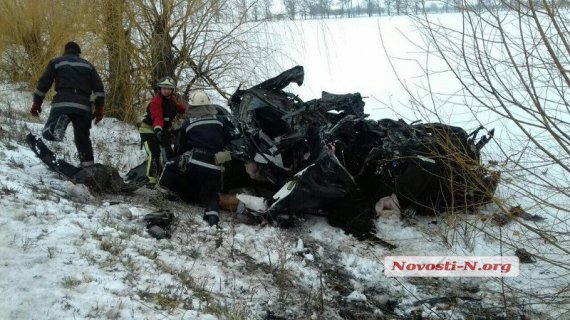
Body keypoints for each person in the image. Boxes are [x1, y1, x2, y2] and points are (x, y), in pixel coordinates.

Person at [157, 90, 234, 227]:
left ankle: (160, 194)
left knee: (170, 165)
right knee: (211, 194)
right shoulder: (221, 120)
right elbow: (229, 140)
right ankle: (213, 220)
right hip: (216, 164)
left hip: (195, 160)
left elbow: (183, 147)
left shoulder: (188, 123)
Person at [30, 41, 105, 167]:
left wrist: (37, 103)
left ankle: (58, 125)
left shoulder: (57, 62)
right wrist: (99, 109)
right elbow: (99, 89)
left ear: (65, 51)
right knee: (82, 137)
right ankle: (88, 166)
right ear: (79, 53)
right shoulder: (88, 66)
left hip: (62, 103)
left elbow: (44, 83)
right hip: (83, 106)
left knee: (49, 131)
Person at [139, 76, 187, 185]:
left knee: (169, 155)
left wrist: (193, 109)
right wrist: (158, 130)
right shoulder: (156, 101)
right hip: (148, 131)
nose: (166, 91)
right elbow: (158, 117)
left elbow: (180, 108)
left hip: (161, 131)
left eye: (169, 89)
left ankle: (167, 179)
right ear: (160, 89)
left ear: (172, 90)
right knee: (154, 153)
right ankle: (151, 181)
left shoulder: (173, 99)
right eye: (164, 88)